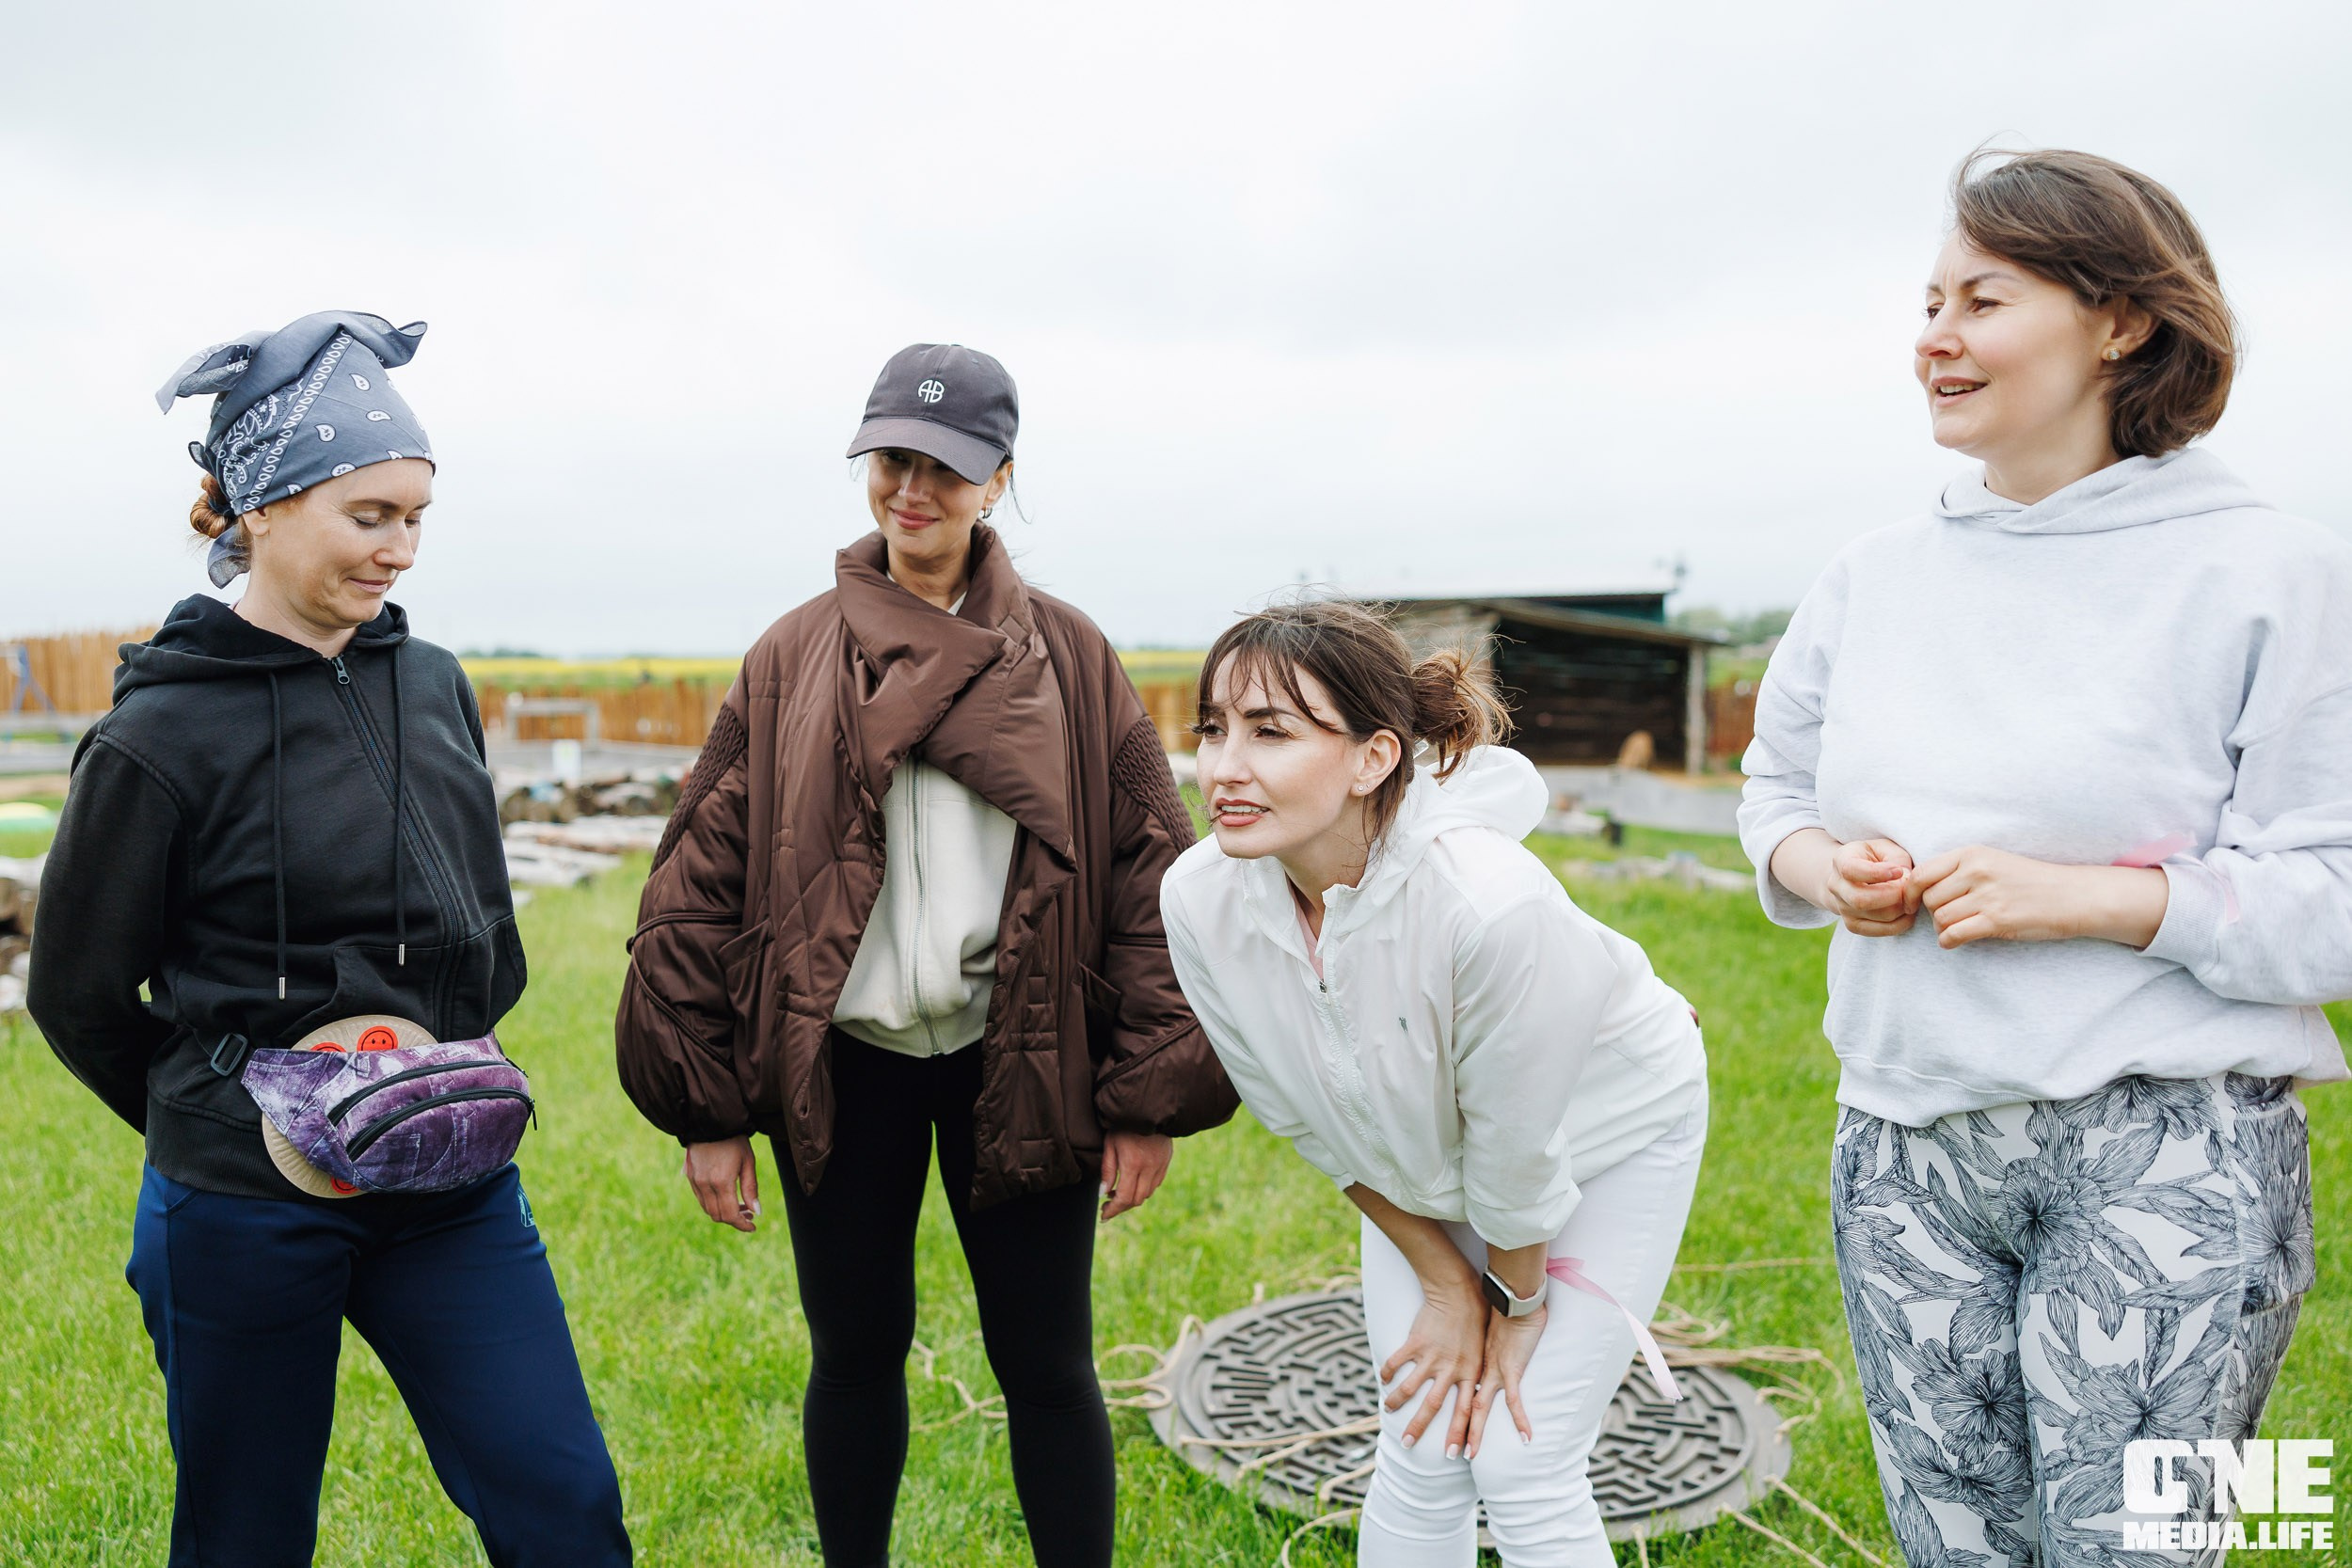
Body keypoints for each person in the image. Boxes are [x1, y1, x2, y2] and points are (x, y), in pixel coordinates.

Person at [1740, 149, 2347, 1568]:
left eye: (1983, 299)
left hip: (2172, 1148)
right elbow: (1776, 791)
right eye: (1928, 301)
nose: (1932, 337)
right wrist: (1830, 870)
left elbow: (2335, 902)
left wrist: (2086, 900)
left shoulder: (2275, 570)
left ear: (2121, 320)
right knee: (1952, 1545)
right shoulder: (1870, 575)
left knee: (2147, 1550)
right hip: (1901, 1144)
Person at [614, 342, 1236, 1568]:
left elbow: (1150, 876)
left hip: (1029, 1048)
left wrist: (1147, 1089)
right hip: (848, 1060)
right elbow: (701, 876)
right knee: (852, 1353)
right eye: (894, 457)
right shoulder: (792, 656)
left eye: (946, 466)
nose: (915, 487)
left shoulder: (1070, 656)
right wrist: (707, 1107)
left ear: (997, 478)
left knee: (1047, 1362)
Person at [28, 312, 630, 1566]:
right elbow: (77, 989)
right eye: (371, 516)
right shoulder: (158, 734)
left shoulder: (435, 682)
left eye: (416, 516)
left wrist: (430, 1060)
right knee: (246, 1538)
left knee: (565, 1506)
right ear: (262, 506)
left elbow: (484, 927)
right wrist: (235, 1114)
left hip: (449, 1183)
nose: (401, 548)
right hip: (247, 1211)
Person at [1158, 601, 1709, 1568]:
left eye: (1271, 731)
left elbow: (1516, 1146)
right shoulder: (1200, 897)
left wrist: (1517, 1302)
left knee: (1517, 1455)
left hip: (1608, 1136)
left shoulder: (1486, 903)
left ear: (1374, 757)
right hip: (1419, 1161)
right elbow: (1301, 1112)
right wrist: (1446, 1281)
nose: (1223, 766)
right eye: (1214, 728)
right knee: (1420, 1444)